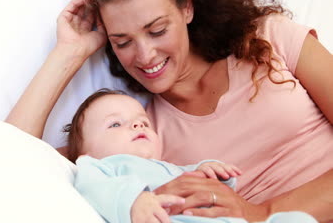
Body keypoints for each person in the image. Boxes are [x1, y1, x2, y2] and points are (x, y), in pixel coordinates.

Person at [6, 0, 333, 221]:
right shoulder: (139, 133)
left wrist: (264, 213)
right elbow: (9, 158)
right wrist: (69, 53)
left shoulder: (269, 38)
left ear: (187, 6)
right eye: (123, 42)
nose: (145, 55)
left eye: (157, 30)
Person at [67, 88, 316, 223]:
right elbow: (94, 188)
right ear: (85, 152)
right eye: (115, 124)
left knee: (296, 219)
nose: (137, 126)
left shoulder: (170, 168)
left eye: (142, 121)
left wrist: (209, 171)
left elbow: (199, 184)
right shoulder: (98, 167)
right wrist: (133, 202)